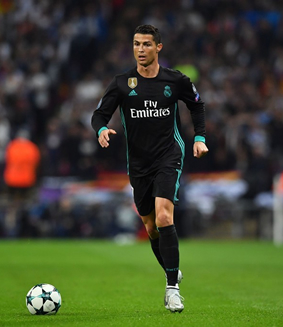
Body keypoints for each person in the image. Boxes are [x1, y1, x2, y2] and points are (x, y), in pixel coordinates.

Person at [91, 24, 208, 313]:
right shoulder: (122, 83)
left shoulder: (176, 80)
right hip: (139, 163)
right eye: (136, 44)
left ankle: (172, 289)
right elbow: (98, 115)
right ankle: (172, 268)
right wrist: (101, 130)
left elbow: (197, 105)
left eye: (146, 44)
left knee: (164, 215)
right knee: (151, 227)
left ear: (158, 48)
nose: (140, 49)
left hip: (169, 155)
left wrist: (200, 137)